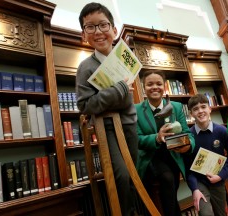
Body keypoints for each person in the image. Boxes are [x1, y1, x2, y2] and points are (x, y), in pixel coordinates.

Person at [76, 3, 138, 216]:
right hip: (107, 129)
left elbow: (128, 99)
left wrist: (117, 95)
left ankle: (133, 211)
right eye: (90, 27)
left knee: (134, 175)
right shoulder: (85, 67)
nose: (98, 32)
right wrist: (119, 89)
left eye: (103, 25)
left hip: (130, 123)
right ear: (84, 34)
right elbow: (85, 105)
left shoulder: (124, 57)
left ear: (113, 29)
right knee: (121, 176)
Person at [135, 70, 195, 216]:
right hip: (151, 157)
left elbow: (187, 133)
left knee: (171, 187)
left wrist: (188, 146)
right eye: (150, 84)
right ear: (144, 87)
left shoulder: (176, 107)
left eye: (158, 84)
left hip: (174, 156)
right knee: (167, 179)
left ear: (164, 86)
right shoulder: (136, 110)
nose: (154, 87)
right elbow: (136, 140)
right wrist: (156, 137)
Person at [186, 94, 228, 216]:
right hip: (199, 183)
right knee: (205, 213)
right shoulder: (188, 137)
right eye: (195, 109)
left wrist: (220, 176)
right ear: (191, 114)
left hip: (217, 181)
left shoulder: (222, 131)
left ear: (210, 109)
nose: (200, 111)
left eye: (203, 107)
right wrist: (194, 188)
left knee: (221, 213)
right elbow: (187, 167)